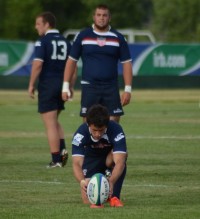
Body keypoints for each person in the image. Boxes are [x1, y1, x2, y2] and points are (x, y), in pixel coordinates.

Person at [62, 4, 133, 123]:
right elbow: (71, 61)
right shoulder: (83, 36)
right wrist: (65, 86)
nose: (101, 18)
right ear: (93, 17)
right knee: (88, 126)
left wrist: (128, 89)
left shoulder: (118, 38)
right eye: (99, 15)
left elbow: (127, 64)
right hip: (90, 87)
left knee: (113, 126)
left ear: (109, 18)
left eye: (105, 15)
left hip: (111, 87)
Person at [28, 11, 73, 168]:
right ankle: (61, 152)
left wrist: (31, 84)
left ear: (47, 24)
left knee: (49, 124)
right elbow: (72, 67)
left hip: (48, 85)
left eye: (38, 24)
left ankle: (56, 160)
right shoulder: (66, 42)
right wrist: (69, 86)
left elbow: (38, 64)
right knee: (54, 121)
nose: (36, 27)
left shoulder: (43, 41)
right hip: (62, 86)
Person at [71, 104, 127, 208]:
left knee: (122, 155)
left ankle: (114, 195)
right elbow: (76, 163)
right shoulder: (80, 134)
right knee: (89, 200)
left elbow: (120, 162)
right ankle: (102, 189)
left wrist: (111, 181)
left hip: (108, 159)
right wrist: (82, 181)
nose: (97, 134)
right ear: (88, 124)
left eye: (101, 130)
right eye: (94, 130)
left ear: (107, 124)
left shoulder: (116, 129)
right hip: (91, 160)